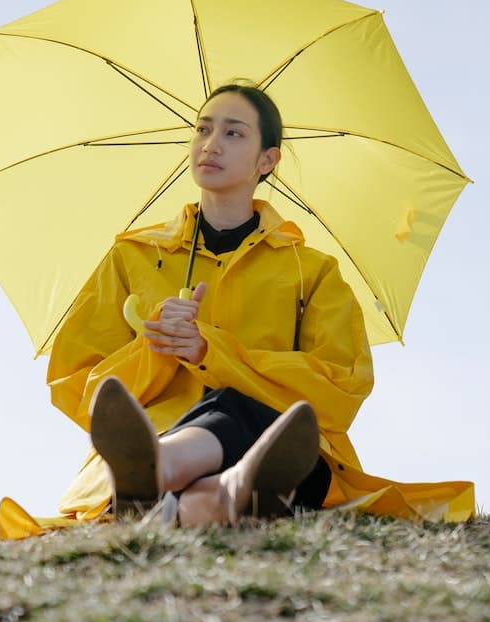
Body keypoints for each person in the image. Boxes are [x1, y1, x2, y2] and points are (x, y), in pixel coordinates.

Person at [45, 82, 374, 526]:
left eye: (233, 133)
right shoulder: (133, 256)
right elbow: (79, 387)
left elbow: (340, 390)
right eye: (202, 129)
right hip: (165, 430)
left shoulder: (311, 271)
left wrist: (209, 352)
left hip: (281, 454)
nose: (211, 144)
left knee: (235, 405)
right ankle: (211, 492)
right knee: (213, 468)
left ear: (268, 160)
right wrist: (154, 350)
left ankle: (158, 474)